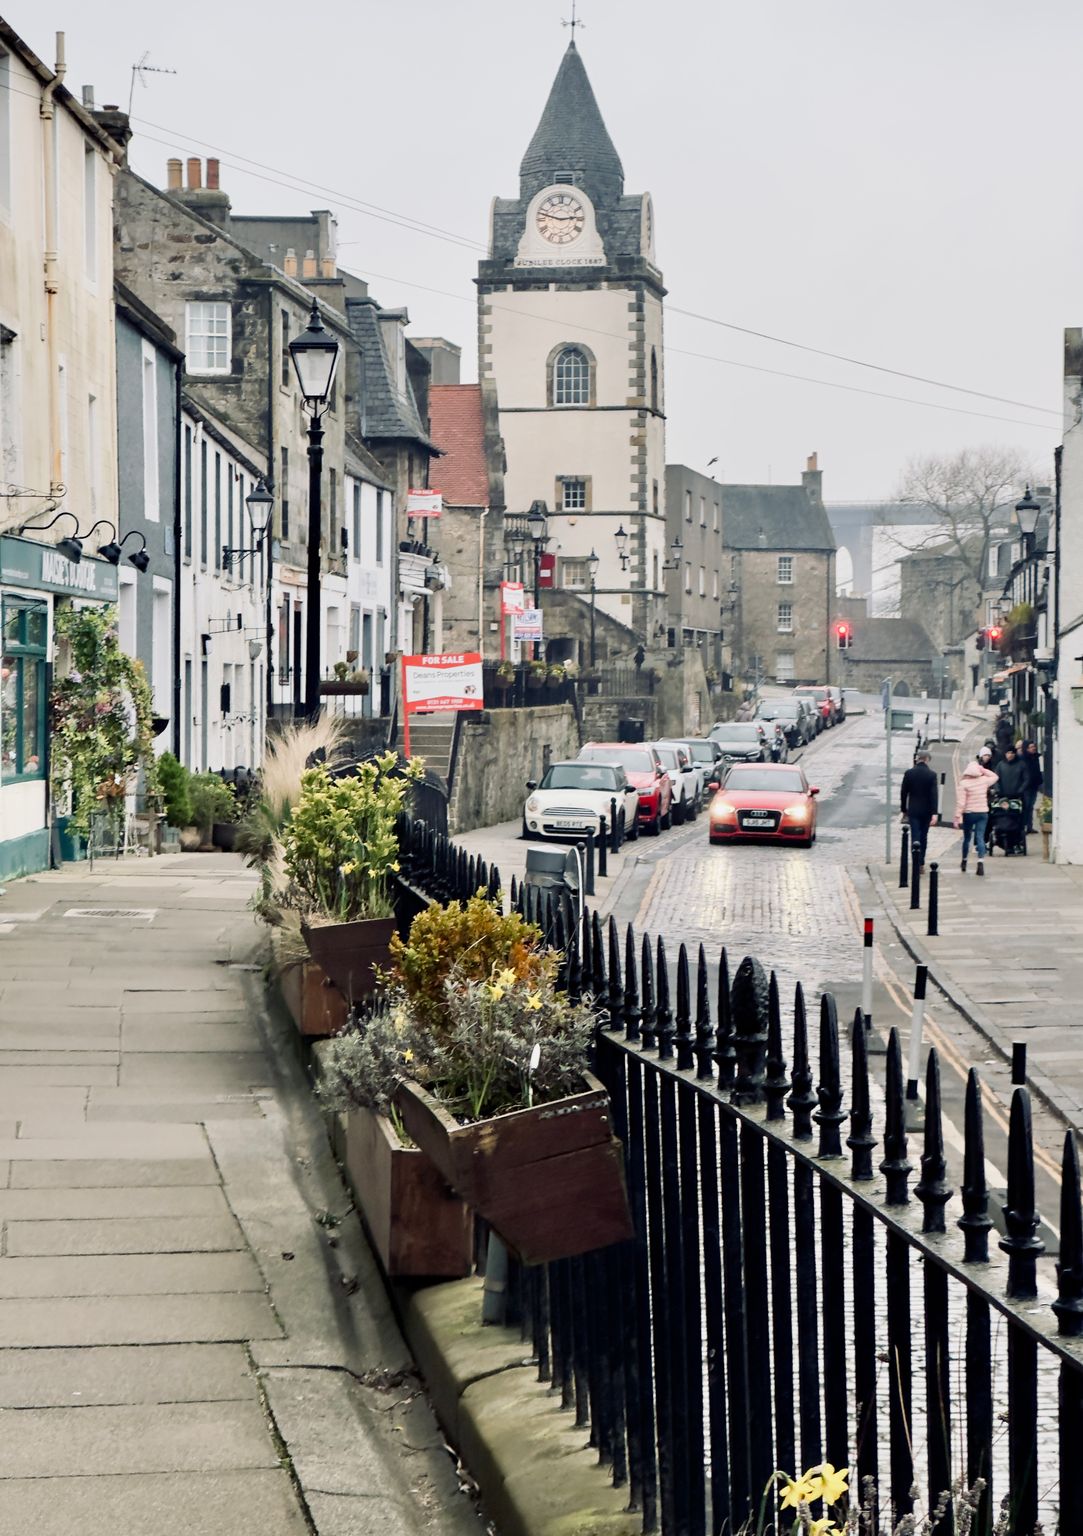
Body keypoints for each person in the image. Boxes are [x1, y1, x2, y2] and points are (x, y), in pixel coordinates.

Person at [955, 755, 999, 875]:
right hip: (982, 813)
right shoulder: (984, 780)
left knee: (967, 838)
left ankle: (964, 860)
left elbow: (961, 802)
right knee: (980, 837)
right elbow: (995, 777)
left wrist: (957, 816)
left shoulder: (964, 783)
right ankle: (980, 862)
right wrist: (983, 770)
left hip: (969, 813)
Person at [900, 749, 939, 864]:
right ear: (927, 760)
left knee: (915, 835)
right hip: (926, 811)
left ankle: (915, 861)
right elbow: (934, 795)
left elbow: (903, 793)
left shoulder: (909, 773)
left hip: (914, 810)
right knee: (924, 836)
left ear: (918, 759)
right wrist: (934, 813)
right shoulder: (932, 775)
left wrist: (904, 809)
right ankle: (921, 861)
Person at [1021, 739, 1044, 833]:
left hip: (1034, 786)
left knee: (1030, 807)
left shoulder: (1036, 757)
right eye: (1031, 747)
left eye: (1034, 746)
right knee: (1026, 807)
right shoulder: (1023, 759)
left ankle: (1029, 826)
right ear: (1026, 748)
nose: (1033, 748)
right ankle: (1025, 826)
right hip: (1026, 787)